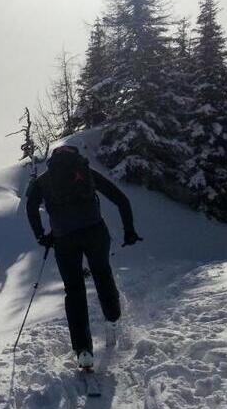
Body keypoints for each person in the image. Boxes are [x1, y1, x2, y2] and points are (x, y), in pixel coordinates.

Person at [25, 145, 141, 369]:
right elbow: (120, 199)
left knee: (74, 290)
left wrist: (42, 236)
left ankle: (83, 350)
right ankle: (112, 320)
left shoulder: (44, 180)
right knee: (102, 273)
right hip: (95, 232)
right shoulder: (86, 172)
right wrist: (129, 230)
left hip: (64, 239)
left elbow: (31, 207)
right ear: (75, 157)